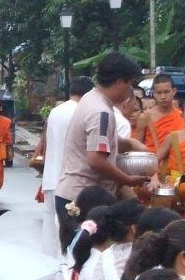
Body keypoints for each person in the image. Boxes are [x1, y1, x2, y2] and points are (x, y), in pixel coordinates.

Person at [55, 53, 148, 251]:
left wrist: (129, 144)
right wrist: (127, 180)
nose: (131, 89)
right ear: (121, 82)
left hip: (73, 193)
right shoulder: (102, 113)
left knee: (72, 259)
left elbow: (99, 143)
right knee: (83, 258)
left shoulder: (91, 98)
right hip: (83, 196)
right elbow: (96, 159)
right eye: (130, 83)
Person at [41, 77, 94, 258]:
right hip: (71, 180)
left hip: (50, 177)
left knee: (50, 226)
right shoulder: (82, 112)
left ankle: (48, 263)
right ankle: (64, 267)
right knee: (69, 229)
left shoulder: (55, 112)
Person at [149, 98, 185, 188]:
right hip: (173, 184)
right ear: (182, 115)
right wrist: (154, 179)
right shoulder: (173, 137)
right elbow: (154, 161)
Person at [133, 73, 185, 152]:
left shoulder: (182, 116)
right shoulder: (145, 117)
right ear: (154, 93)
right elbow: (137, 148)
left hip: (176, 162)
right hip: (152, 162)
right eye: (159, 93)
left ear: (174, 91)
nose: (163, 97)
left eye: (166, 92)